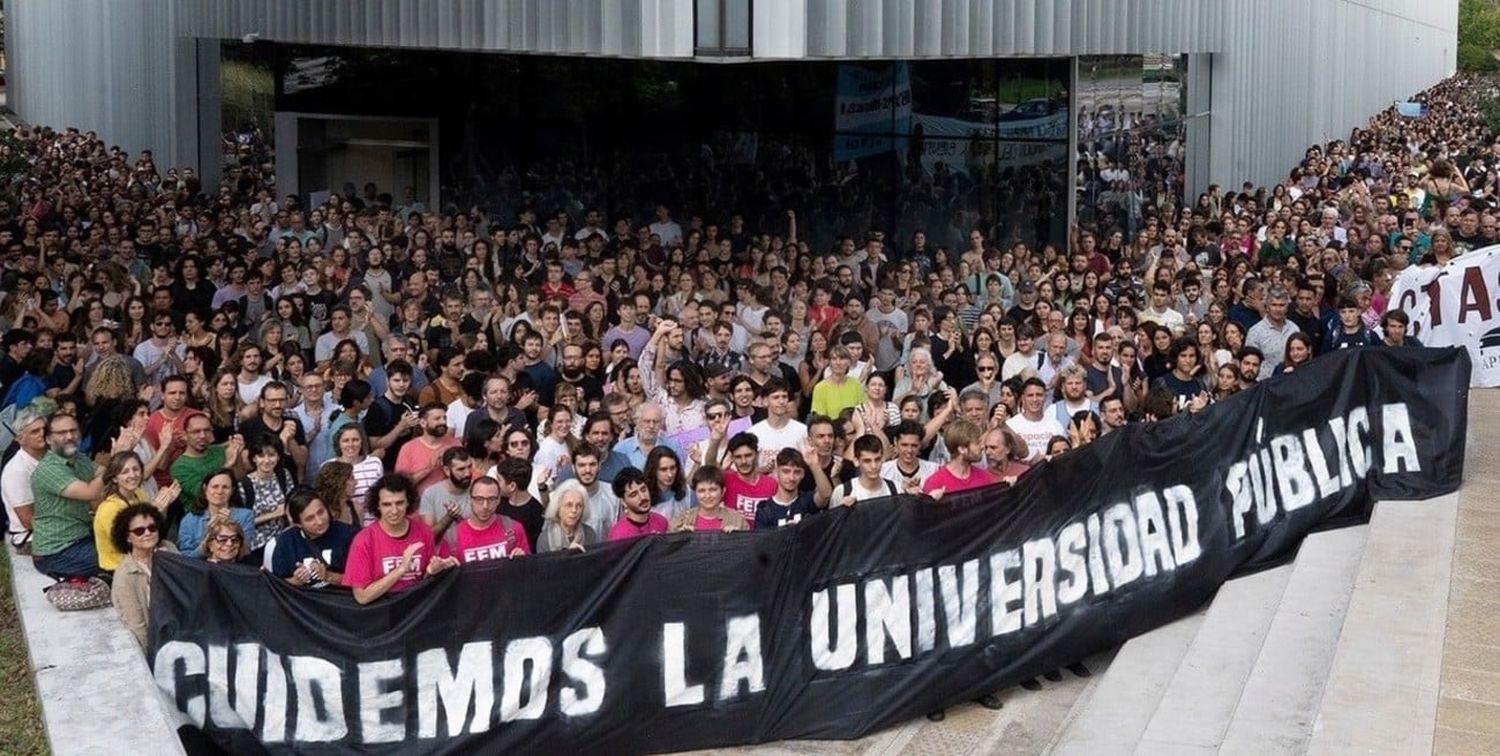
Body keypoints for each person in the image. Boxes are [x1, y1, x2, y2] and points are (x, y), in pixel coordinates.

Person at [31, 412, 130, 577]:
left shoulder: (80, 459)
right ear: (48, 439)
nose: (69, 436)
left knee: (133, 546)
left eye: (73, 431)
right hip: (56, 552)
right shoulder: (48, 469)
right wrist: (115, 458)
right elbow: (92, 492)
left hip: (82, 539)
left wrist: (112, 464)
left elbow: (105, 473)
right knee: (127, 557)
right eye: (62, 433)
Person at [345, 474, 458, 604]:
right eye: (387, 504)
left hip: (415, 613)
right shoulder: (364, 540)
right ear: (378, 506)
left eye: (399, 503)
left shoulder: (424, 532)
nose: (394, 510)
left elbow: (423, 582)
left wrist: (432, 571)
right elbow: (362, 597)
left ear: (408, 502)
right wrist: (401, 569)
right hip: (382, 614)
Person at [93, 451, 180, 572]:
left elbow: (153, 529)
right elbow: (125, 544)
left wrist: (164, 507)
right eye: (125, 472)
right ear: (114, 478)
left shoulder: (139, 494)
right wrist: (154, 511)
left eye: (136, 469)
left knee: (170, 547)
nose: (132, 475)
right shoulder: (109, 508)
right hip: (119, 566)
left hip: (142, 554)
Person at [109, 504, 176, 649]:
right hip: (159, 643)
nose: (147, 533)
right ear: (128, 537)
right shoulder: (125, 575)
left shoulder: (169, 549)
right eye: (139, 531)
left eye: (152, 528)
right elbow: (137, 626)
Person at [269, 487, 358, 588]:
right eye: (310, 518)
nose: (319, 521)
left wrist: (328, 576)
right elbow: (277, 585)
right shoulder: (285, 542)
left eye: (321, 512)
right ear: (298, 524)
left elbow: (359, 580)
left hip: (339, 600)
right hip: (300, 601)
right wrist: (295, 581)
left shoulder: (349, 535)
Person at [170, 413, 247, 506]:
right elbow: (202, 494)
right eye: (196, 431)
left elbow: (240, 478)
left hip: (231, 507)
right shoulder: (179, 467)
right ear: (185, 434)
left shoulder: (218, 451)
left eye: (207, 430)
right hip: (201, 515)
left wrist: (237, 453)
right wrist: (226, 466)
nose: (202, 435)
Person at [449, 475, 531, 562]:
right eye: (479, 499)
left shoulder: (514, 529)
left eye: (491, 499)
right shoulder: (452, 537)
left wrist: (522, 560)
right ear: (470, 499)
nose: (485, 506)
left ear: (498, 500)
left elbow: (529, 570)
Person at [2, 403, 48, 553]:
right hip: (31, 538)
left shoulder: (51, 457)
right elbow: (28, 520)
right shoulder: (16, 470)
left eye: (44, 429)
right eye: (35, 431)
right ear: (20, 438)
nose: (42, 434)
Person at [177, 468, 255, 557]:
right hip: (198, 567)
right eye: (215, 487)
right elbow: (185, 557)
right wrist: (210, 533)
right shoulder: (190, 519)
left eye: (225, 487)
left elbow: (245, 551)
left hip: (233, 567)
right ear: (205, 489)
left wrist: (229, 526)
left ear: (232, 491)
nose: (220, 491)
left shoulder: (245, 516)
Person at [236, 437, 295, 553]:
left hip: (283, 540)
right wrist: (273, 514)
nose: (267, 460)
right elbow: (240, 522)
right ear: (254, 458)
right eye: (261, 456)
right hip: (257, 545)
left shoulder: (284, 475)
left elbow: (293, 504)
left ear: (278, 457)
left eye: (271, 455)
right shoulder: (244, 485)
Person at [395, 402, 462, 494]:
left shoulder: (455, 444)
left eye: (444, 418)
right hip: (420, 506)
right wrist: (429, 468)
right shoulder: (408, 449)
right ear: (423, 423)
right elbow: (399, 486)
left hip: (450, 504)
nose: (443, 422)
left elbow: (465, 478)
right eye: (437, 419)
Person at [922, 421, 998, 499]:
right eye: (977, 443)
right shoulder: (935, 482)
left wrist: (1008, 485)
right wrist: (931, 500)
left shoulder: (984, 477)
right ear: (961, 449)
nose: (982, 447)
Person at [755, 448, 824, 529]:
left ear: (802, 474)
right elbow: (761, 540)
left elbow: (825, 495)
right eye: (786, 471)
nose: (791, 477)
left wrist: (814, 465)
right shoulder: (765, 510)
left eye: (797, 472)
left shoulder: (807, 500)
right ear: (777, 471)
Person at [418, 447, 474, 548]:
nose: (467, 473)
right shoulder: (430, 494)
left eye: (469, 467)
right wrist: (448, 518)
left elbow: (481, 532)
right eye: (461, 469)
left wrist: (458, 518)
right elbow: (428, 537)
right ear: (447, 470)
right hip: (441, 557)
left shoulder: (478, 489)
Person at [670, 465, 751, 533]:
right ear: (695, 493)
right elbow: (669, 549)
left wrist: (739, 537)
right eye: (702, 491)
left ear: (723, 491)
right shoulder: (680, 520)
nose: (707, 495)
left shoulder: (737, 520)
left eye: (713, 490)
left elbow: (749, 548)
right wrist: (679, 537)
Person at [1005, 378, 1065, 464]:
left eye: (1039, 395)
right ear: (1022, 398)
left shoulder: (1056, 426)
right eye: (1030, 395)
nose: (1035, 399)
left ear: (1045, 397)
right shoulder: (1011, 425)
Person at [830, 434, 899, 506]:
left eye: (877, 459)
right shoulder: (842, 492)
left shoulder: (896, 489)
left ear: (882, 459)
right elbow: (832, 517)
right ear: (856, 461)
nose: (874, 466)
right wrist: (842, 511)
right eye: (867, 461)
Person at [494, 457, 546, 548]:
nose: (496, 483)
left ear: (512, 486)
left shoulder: (536, 512)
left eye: (499, 480)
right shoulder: (498, 502)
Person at [536, 479, 600, 552]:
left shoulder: (589, 534)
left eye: (579, 506)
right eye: (569, 505)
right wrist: (568, 555)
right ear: (558, 507)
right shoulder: (545, 539)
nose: (574, 510)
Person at [606, 467, 668, 541]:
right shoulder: (619, 536)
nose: (642, 497)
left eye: (643, 490)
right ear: (623, 501)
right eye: (634, 494)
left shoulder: (661, 521)